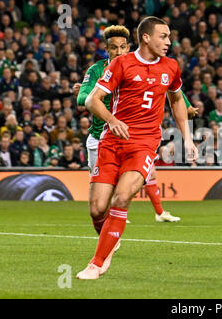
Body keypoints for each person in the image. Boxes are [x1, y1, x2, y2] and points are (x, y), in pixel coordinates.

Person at [76, 16, 198, 280]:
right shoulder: (122, 64)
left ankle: (96, 264)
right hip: (111, 142)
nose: (168, 42)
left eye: (169, 37)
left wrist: (187, 137)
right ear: (146, 37)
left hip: (144, 144)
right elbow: (92, 101)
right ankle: (110, 238)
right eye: (163, 36)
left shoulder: (171, 67)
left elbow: (176, 100)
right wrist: (112, 120)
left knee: (122, 197)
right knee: (97, 209)